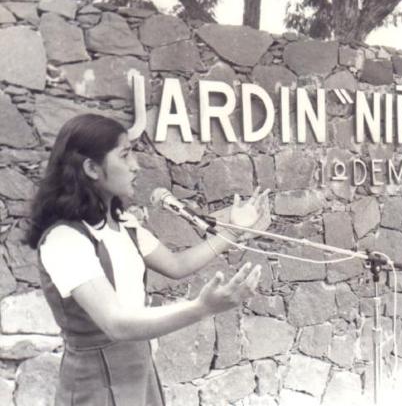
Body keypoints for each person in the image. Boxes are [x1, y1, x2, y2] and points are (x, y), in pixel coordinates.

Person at [26, 113, 269, 406]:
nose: (135, 166)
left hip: (140, 373)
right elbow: (115, 323)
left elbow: (177, 266)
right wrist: (202, 308)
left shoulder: (125, 224)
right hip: (96, 386)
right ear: (91, 167)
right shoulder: (64, 239)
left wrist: (232, 232)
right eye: (125, 155)